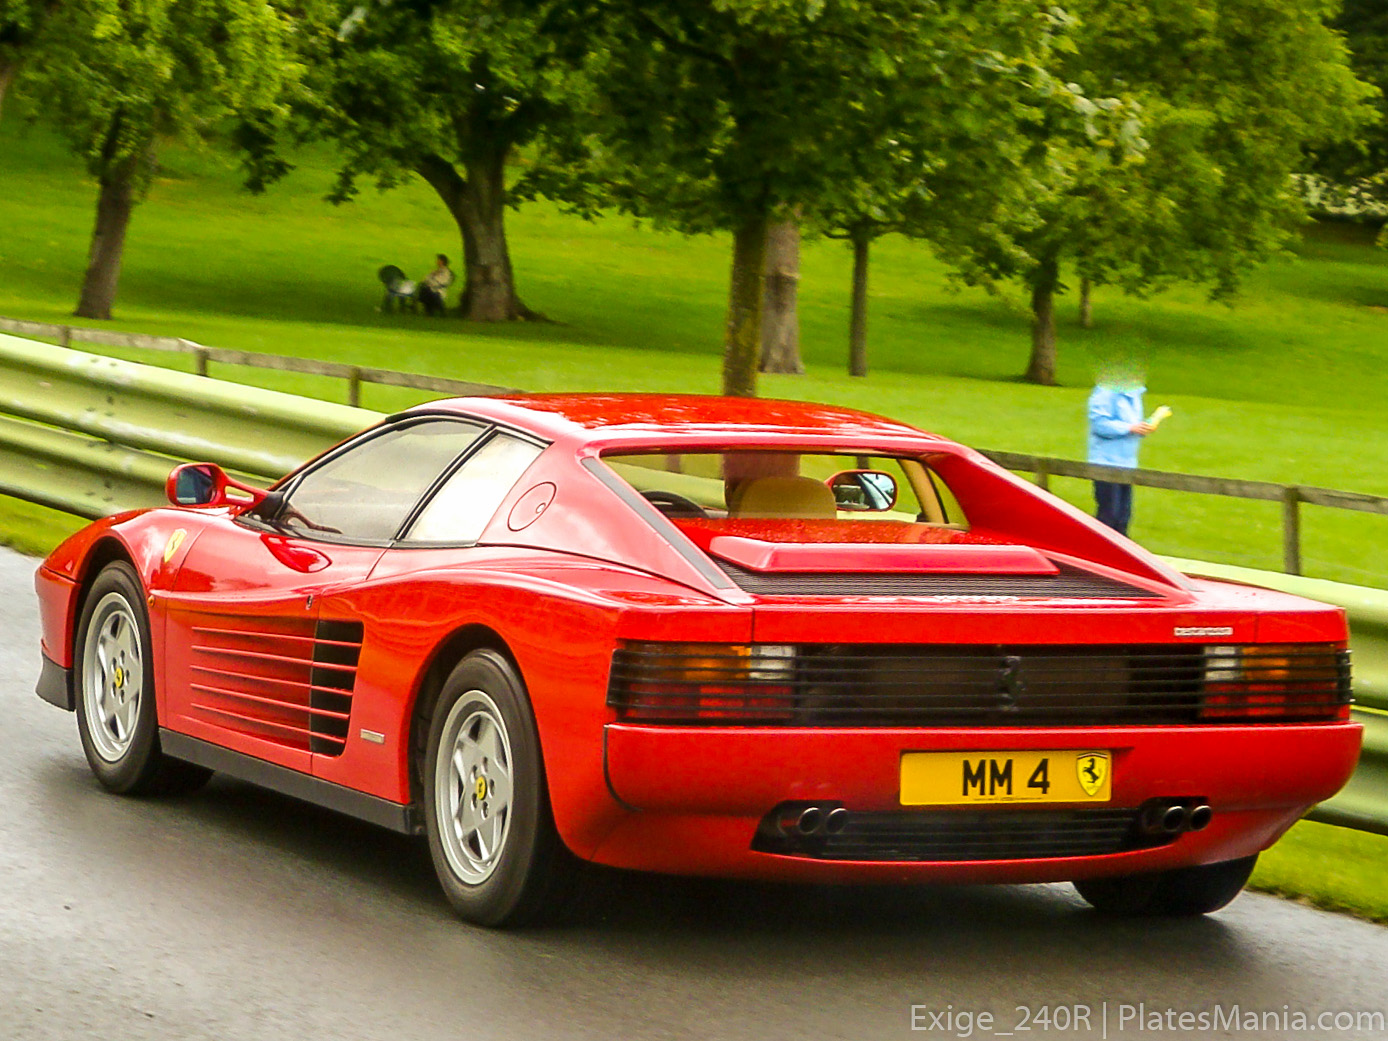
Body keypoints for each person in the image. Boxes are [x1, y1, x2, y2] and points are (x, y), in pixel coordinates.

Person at [1087, 365, 1157, 536]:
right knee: (1109, 515)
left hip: (1127, 464)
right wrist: (1129, 428)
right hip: (1105, 463)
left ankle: (1119, 551)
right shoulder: (1105, 394)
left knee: (1123, 517)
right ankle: (1099, 549)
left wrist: (1142, 428)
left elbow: (1132, 425)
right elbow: (1099, 425)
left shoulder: (1135, 395)